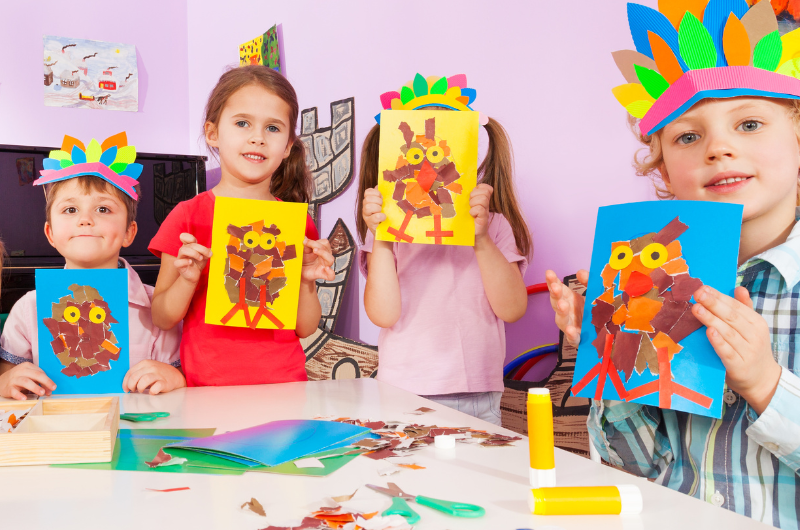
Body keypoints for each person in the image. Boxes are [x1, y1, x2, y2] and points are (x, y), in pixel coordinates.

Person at [547, 2, 800, 526]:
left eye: (749, 123)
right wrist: (610, 360)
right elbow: (630, 467)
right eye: (688, 136)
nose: (719, 148)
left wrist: (765, 384)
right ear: (662, 169)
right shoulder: (658, 278)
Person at [357, 73, 531, 425]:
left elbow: (512, 309)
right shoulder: (385, 236)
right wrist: (383, 237)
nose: (427, 169)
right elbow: (383, 314)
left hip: (475, 393)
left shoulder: (493, 225)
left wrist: (479, 238)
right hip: (400, 391)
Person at [149, 65, 334, 387]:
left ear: (288, 145)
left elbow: (305, 327)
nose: (257, 137)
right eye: (242, 123)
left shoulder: (295, 222)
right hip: (206, 388)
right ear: (213, 133)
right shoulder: (187, 216)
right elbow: (162, 316)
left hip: (285, 385)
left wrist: (305, 282)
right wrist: (187, 279)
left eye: (273, 128)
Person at [0, 133, 183, 399]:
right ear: (50, 234)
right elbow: (8, 379)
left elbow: (180, 380)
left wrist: (176, 377)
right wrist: (7, 382)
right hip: (59, 433)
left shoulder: (158, 307)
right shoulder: (29, 307)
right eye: (70, 210)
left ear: (129, 233)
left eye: (103, 209)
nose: (85, 219)